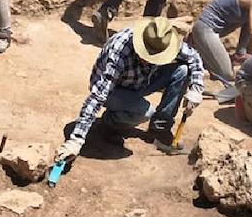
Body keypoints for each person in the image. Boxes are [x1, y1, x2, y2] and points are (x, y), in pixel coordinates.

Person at [55, 17, 204, 162]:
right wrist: (76, 140)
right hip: (115, 91)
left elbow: (194, 57)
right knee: (146, 113)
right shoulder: (120, 50)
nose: (151, 60)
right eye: (148, 55)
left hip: (141, 81)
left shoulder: (164, 42)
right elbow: (98, 96)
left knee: (182, 70)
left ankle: (160, 128)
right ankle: (108, 124)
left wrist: (196, 89)